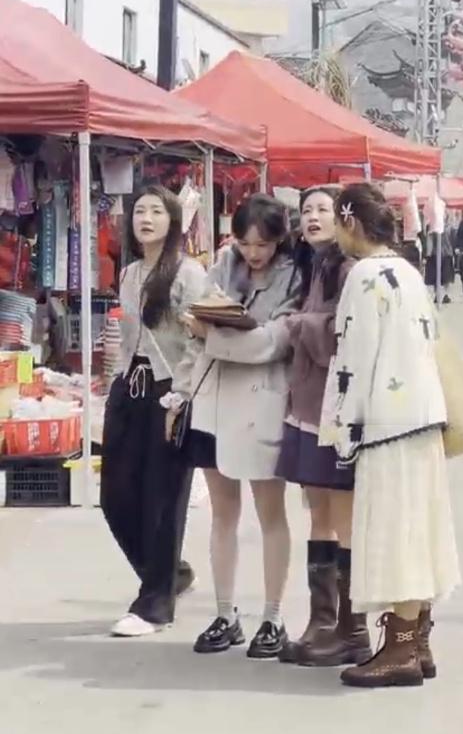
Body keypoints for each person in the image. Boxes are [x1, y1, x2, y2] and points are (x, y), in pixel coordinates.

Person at [320, 183, 460, 688]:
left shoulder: (362, 275)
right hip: (423, 417)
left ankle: (399, 648)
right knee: (419, 528)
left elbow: (353, 361)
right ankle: (416, 639)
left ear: (350, 222)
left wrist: (343, 429)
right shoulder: (408, 271)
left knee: (394, 532)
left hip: (385, 421)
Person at [185, 195, 300, 659]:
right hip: (212, 401)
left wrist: (211, 336)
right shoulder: (220, 266)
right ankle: (225, 612)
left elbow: (271, 343)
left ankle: (273, 616)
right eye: (246, 242)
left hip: (261, 402)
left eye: (264, 244)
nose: (254, 253)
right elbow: (192, 321)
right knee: (222, 513)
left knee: (271, 512)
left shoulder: (294, 275)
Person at [101, 185, 207, 638]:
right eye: (139, 211)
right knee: (115, 496)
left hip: (169, 392)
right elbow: (127, 339)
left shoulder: (188, 272)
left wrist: (180, 396)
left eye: (155, 211)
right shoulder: (128, 274)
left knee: (162, 499)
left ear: (173, 221)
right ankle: (170, 573)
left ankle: (154, 604)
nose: (145, 218)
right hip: (130, 387)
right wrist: (114, 385)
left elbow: (197, 340)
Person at [274, 187, 371, 667]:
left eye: (322, 210)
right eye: (306, 210)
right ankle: (323, 620)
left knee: (340, 515)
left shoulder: (350, 270)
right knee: (318, 513)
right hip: (308, 404)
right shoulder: (312, 265)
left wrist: (295, 326)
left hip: (334, 410)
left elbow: (339, 335)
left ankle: (349, 630)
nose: (312, 217)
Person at [424, 218, 455, 304]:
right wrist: (427, 254)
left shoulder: (449, 227)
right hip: (434, 253)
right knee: (435, 277)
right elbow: (428, 240)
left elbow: (453, 240)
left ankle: (445, 294)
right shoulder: (431, 227)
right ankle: (437, 294)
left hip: (446, 253)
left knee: (446, 277)